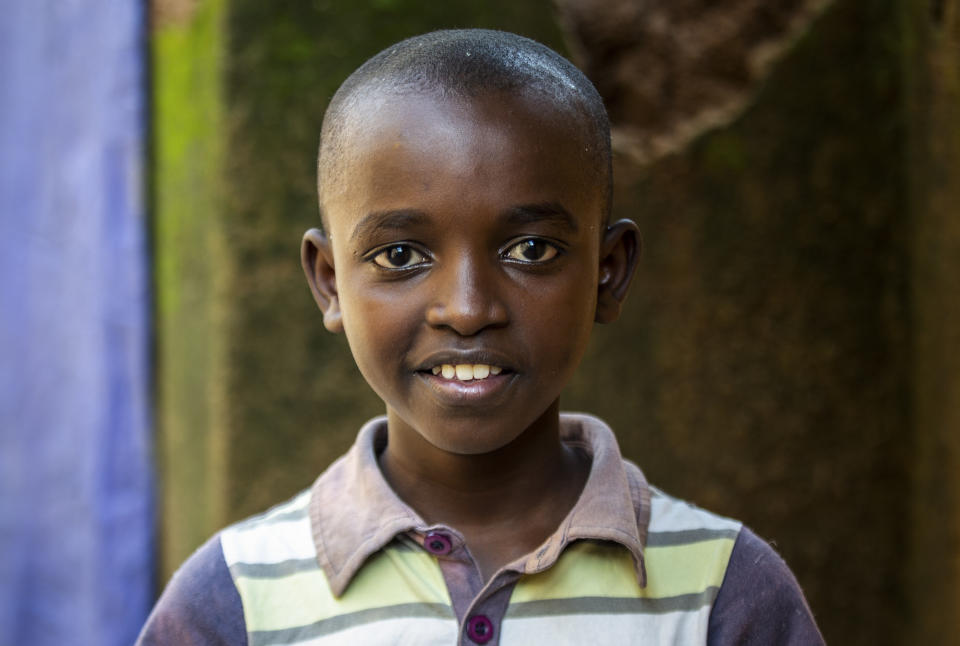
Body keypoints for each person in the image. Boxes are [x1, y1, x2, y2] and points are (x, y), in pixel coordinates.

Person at [137, 29, 824, 645]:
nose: (466, 310)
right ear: (329, 283)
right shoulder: (237, 603)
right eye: (401, 256)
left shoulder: (723, 593)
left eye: (530, 249)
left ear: (608, 274)